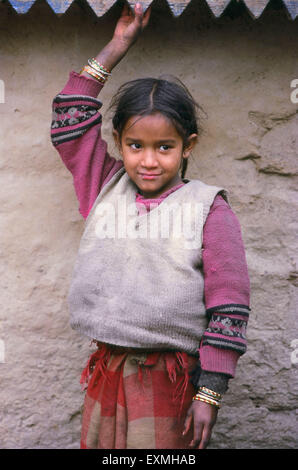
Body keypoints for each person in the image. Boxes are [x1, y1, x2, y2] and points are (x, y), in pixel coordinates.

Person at [51, 3, 250, 450]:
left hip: (171, 380)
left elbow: (229, 309)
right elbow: (69, 118)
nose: (148, 159)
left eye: (165, 146)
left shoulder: (208, 209)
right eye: (135, 145)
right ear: (118, 143)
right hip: (108, 371)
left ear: (187, 146)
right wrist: (118, 43)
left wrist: (210, 393)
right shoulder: (104, 186)